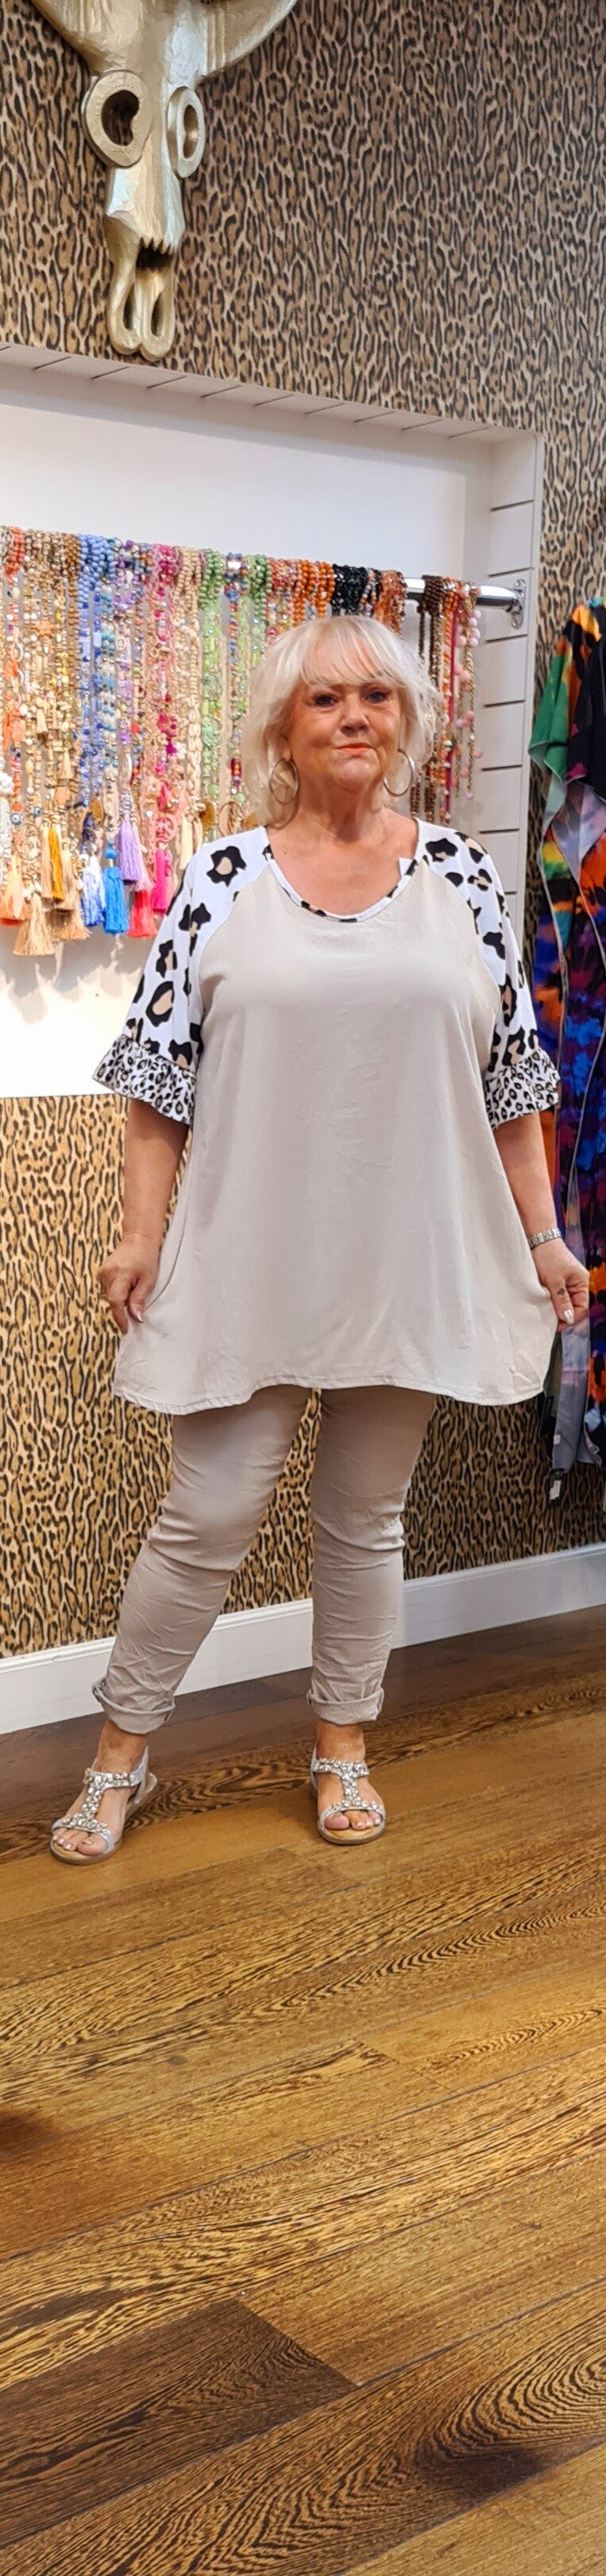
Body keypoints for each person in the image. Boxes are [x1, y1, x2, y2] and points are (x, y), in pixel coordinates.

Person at [51, 614, 589, 1862]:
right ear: (283, 734)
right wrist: (139, 1237)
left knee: (365, 1515)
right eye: (327, 699)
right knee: (208, 1514)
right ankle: (119, 1752)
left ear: (406, 725)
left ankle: (342, 1742)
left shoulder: (462, 877)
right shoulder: (220, 879)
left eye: (377, 698)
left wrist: (545, 1235)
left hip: (408, 1250)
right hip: (254, 1248)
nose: (355, 717)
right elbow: (158, 1086)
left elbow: (514, 1082)